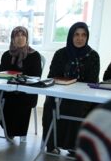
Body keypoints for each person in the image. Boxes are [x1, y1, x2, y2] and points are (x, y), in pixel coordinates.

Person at [42, 22, 100, 153]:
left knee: (78, 107)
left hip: (82, 96)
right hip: (61, 92)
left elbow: (92, 79)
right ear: (70, 36)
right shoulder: (61, 53)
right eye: (76, 35)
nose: (80, 38)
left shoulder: (93, 56)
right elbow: (51, 75)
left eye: (84, 35)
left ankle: (74, 146)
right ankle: (51, 144)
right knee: (50, 103)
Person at [0, 26, 42, 141]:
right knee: (0, 97)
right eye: (17, 35)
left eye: (23, 35)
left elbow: (36, 77)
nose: (20, 38)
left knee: (10, 99)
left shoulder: (34, 55)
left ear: (27, 37)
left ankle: (14, 132)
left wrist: (19, 78)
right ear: (12, 39)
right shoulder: (7, 55)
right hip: (8, 90)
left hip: (26, 92)